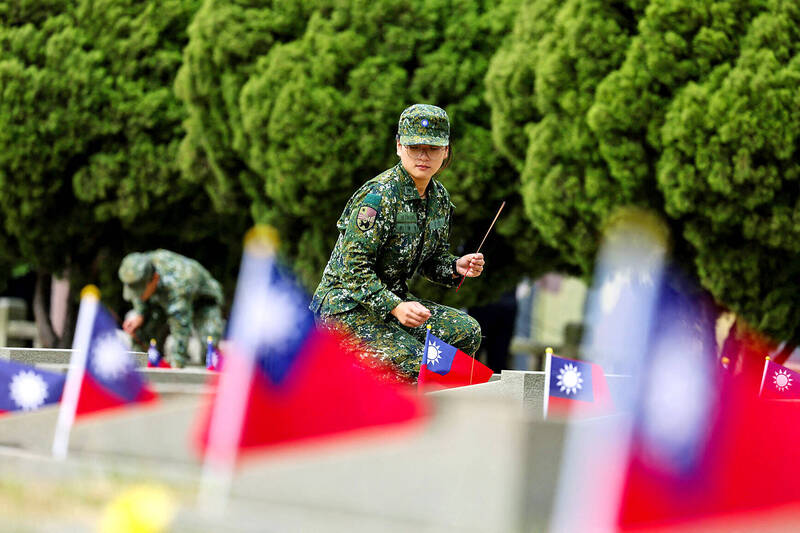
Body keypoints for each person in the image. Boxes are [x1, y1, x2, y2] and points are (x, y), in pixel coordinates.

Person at [310, 104, 484, 382]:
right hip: (346, 309)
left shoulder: (438, 199)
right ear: (399, 147)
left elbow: (432, 259)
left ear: (446, 151)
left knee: (466, 332)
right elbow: (353, 270)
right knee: (418, 364)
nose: (424, 156)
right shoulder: (378, 197)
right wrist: (396, 307)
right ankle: (349, 380)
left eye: (433, 148)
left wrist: (455, 266)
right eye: (415, 147)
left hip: (394, 306)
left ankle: (423, 410)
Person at [118, 249, 225, 368]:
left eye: (140, 292)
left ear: (155, 279)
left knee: (209, 350)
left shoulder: (179, 282)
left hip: (203, 302)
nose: (137, 296)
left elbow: (181, 326)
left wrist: (175, 365)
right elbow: (139, 296)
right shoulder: (138, 267)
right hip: (161, 300)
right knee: (141, 330)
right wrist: (140, 314)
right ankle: (140, 367)